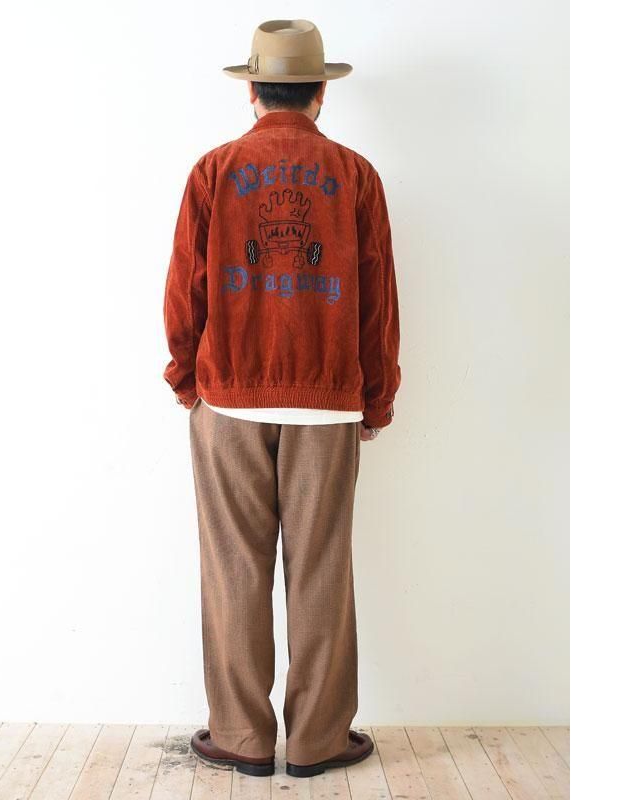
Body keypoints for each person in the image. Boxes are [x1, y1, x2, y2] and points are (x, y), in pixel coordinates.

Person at [162, 19, 402, 779]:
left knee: (234, 566)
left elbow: (185, 290)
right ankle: (319, 741)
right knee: (321, 567)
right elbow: (378, 304)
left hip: (229, 397)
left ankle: (239, 736)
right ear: (321, 91)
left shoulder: (214, 171)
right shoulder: (356, 176)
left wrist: (187, 379)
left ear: (252, 92)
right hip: (327, 402)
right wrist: (375, 399)